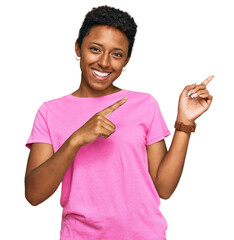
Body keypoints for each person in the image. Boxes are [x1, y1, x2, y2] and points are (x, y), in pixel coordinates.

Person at [24, 5, 213, 240]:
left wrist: (184, 124)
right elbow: (33, 194)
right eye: (95, 49)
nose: (104, 63)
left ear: (127, 59)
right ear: (78, 48)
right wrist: (75, 140)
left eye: (116, 54)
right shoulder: (50, 112)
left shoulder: (145, 105)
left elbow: (164, 188)